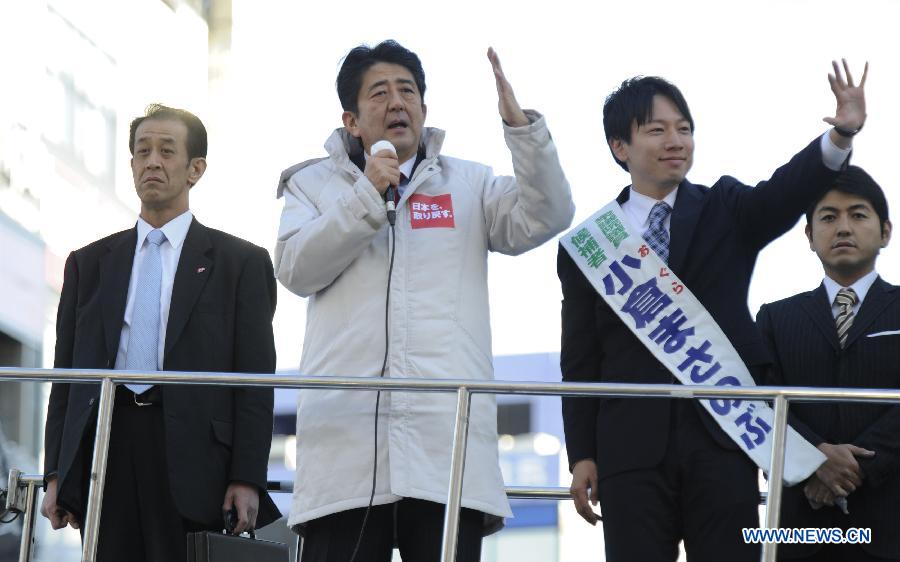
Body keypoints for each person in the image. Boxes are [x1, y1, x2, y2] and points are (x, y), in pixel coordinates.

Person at [275, 40, 574, 561]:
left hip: (445, 453)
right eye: (380, 93)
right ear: (351, 118)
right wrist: (366, 195)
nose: (397, 103)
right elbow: (296, 269)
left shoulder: (470, 184)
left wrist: (523, 132)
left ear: (424, 109)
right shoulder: (312, 186)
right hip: (345, 457)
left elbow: (547, 215)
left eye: (408, 91)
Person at [558, 61, 867, 561]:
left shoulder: (724, 206)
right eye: (657, 130)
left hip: (723, 441)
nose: (675, 140)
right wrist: (583, 454)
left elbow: (782, 194)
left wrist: (840, 138)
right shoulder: (590, 247)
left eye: (684, 128)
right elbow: (580, 358)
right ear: (620, 147)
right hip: (630, 450)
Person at [40, 104, 280, 562]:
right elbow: (66, 378)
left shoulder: (240, 264)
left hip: (193, 453)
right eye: (142, 151)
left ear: (196, 169)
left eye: (167, 151)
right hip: (107, 447)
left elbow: (254, 382)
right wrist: (55, 471)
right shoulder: (89, 264)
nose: (153, 161)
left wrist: (247, 477)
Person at [757, 166, 899, 561]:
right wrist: (813, 460)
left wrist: (852, 468)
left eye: (857, 214)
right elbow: (760, 404)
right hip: (801, 526)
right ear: (809, 236)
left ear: (885, 231)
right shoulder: (775, 318)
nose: (843, 227)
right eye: (828, 216)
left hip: (890, 519)